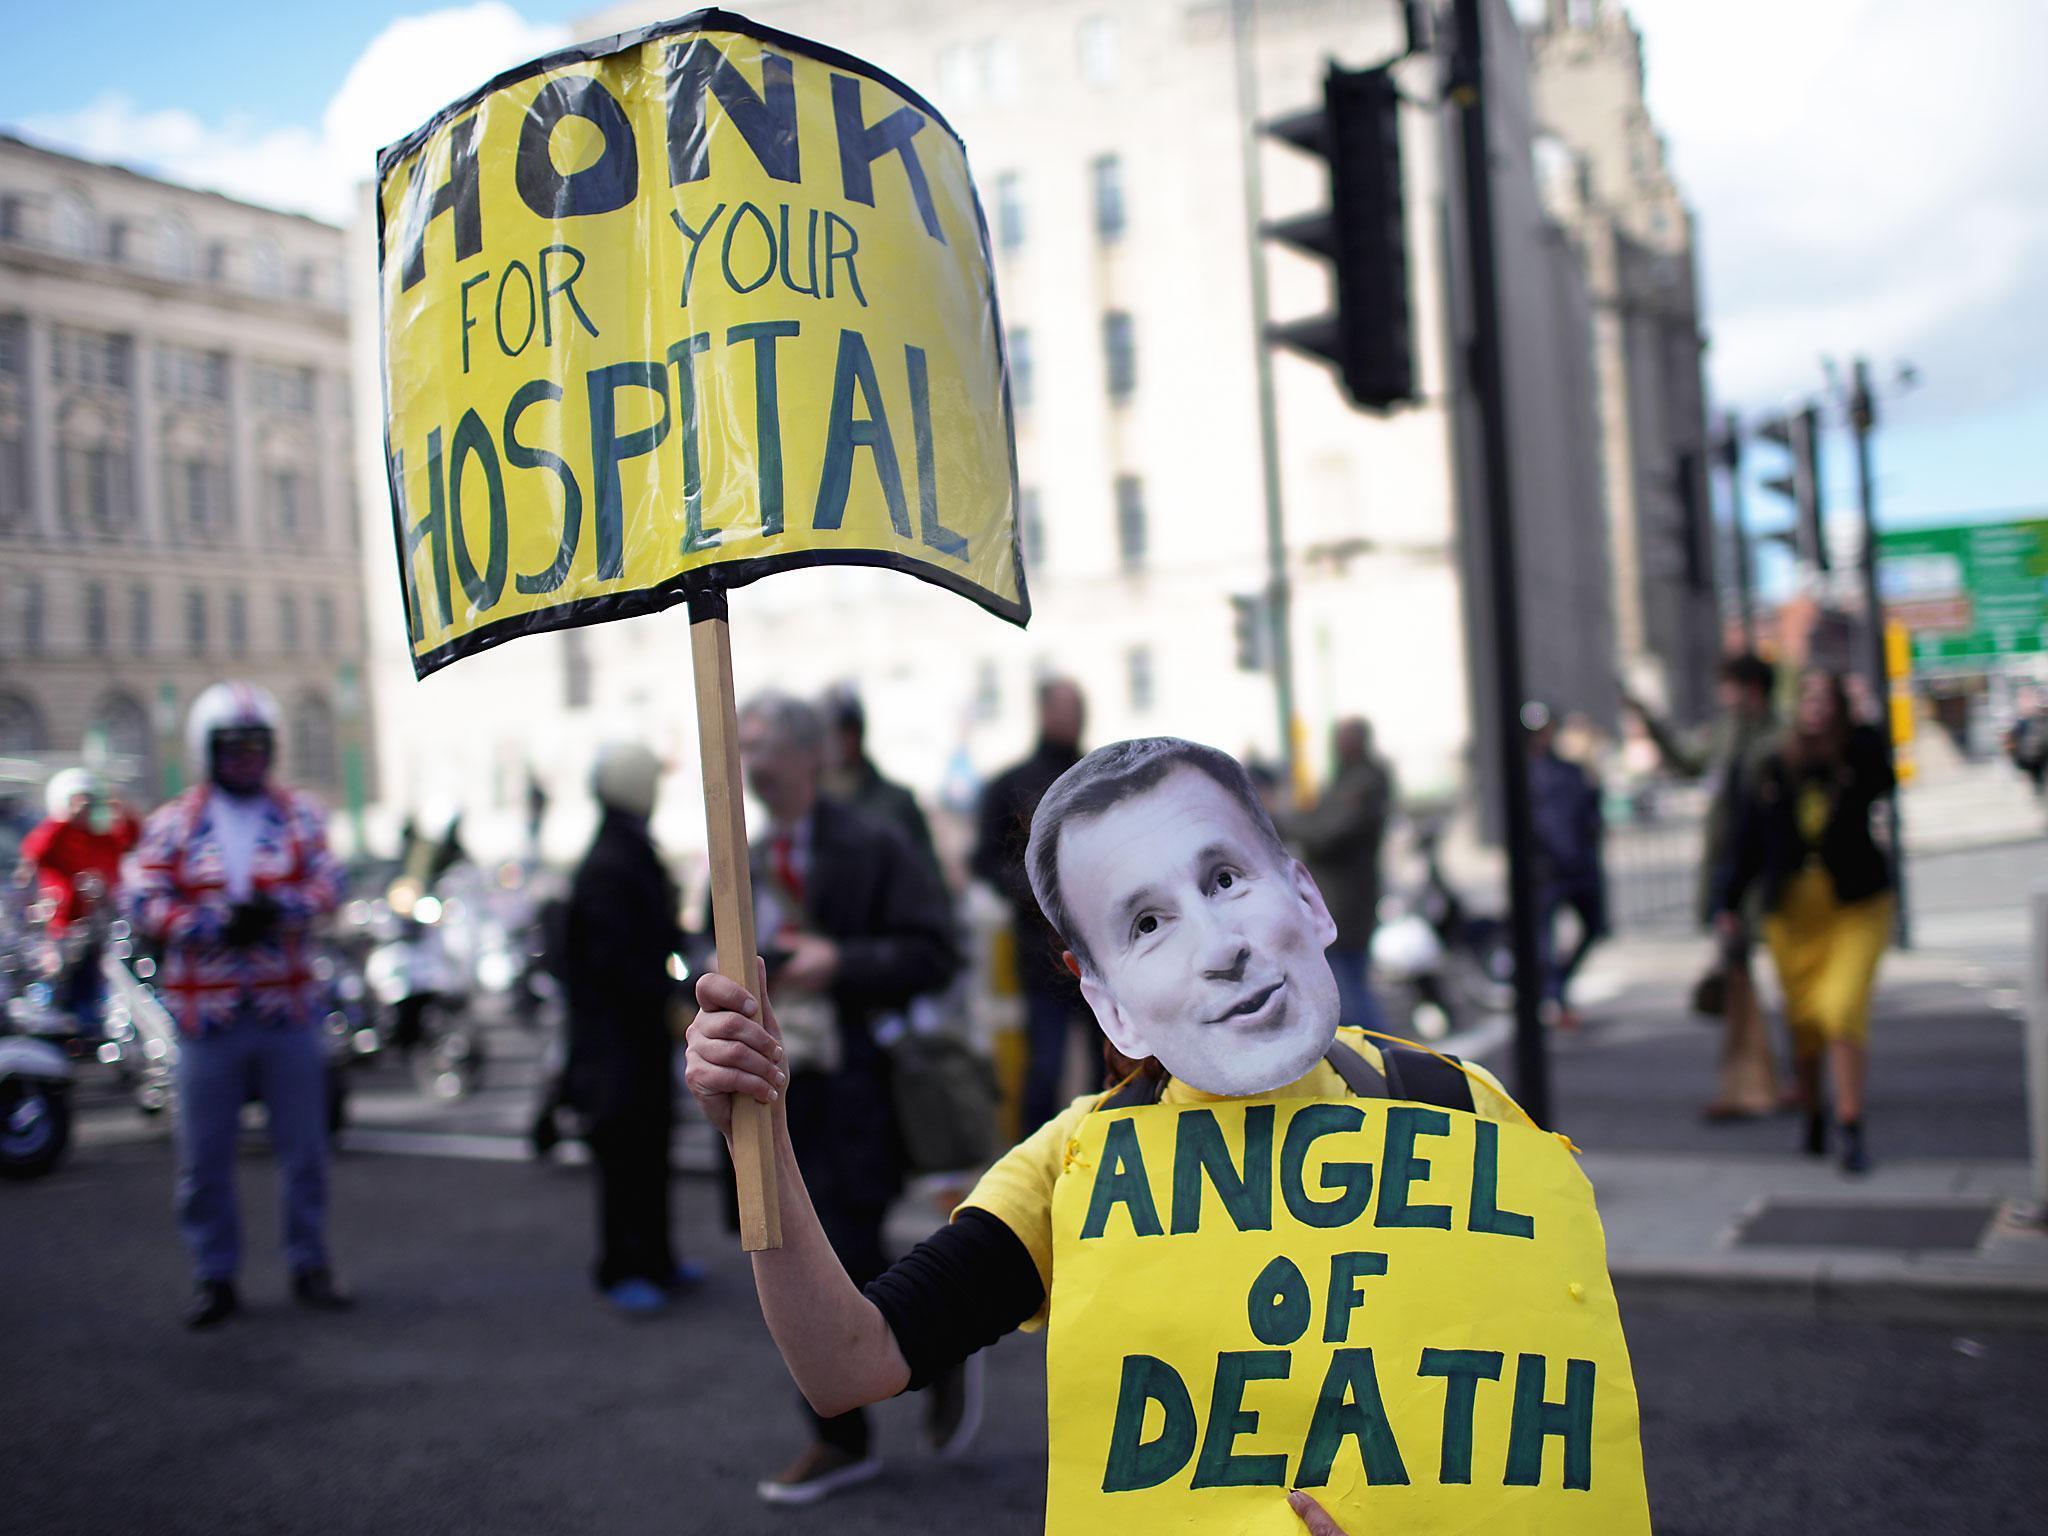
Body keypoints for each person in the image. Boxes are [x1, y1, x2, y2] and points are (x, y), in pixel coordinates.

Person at [686, 738, 1540, 1533]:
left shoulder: (1453, 1106)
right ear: (1107, 1002)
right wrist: (758, 1134)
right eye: (1146, 925)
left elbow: (1544, 1410)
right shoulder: (1073, 1175)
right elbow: (847, 1364)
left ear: (1308, 897)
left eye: (1225, 879)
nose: (1219, 948)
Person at [736, 692, 962, 1502]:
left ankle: (914, 1363)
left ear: (809, 756)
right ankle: (853, 1426)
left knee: (850, 1252)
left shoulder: (873, 843)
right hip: (774, 1095)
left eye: (761, 743)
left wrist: (841, 962)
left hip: (859, 1087)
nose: (749, 761)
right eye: (742, 745)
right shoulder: (741, 860)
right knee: (796, 1257)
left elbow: (936, 951)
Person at [124, 682, 348, 1329]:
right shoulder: (174, 822)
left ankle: (310, 1263)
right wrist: (209, 922)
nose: (247, 759)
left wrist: (281, 909)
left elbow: (330, 883)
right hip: (208, 1018)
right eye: (233, 748)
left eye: (257, 747)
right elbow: (140, 897)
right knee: (203, 1156)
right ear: (208, 752)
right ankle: (213, 1274)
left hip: (287, 1010)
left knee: (304, 1149)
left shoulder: (302, 815)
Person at [1716, 669, 1896, 1174]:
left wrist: (1863, 726)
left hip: (1856, 904)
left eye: (1826, 697)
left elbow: (1884, 780)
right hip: (1793, 911)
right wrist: (1727, 906)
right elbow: (1747, 841)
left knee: (1841, 1010)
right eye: (1808, 697)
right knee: (1805, 1022)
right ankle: (1815, 1111)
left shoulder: (1857, 753)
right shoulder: (1775, 764)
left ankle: (1850, 1125)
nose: (1816, 706)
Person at [559, 742, 698, 1315]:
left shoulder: (621, 852)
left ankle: (657, 1258)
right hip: (618, 1040)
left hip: (631, 1036)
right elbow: (619, 960)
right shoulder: (615, 862)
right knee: (626, 1154)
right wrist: (670, 993)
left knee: (649, 1146)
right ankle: (623, 1265)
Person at [1628, 654, 1783, 1118]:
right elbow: (1687, 762)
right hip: (1731, 873)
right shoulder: (1727, 733)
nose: (1723, 695)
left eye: (1729, 685)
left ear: (1751, 688)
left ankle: (1767, 1079)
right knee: (1740, 977)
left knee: (1784, 984)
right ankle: (1753, 1080)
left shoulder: (1777, 739)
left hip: (1767, 875)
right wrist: (1650, 722)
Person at [970, 677, 1091, 1131]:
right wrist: (1036, 889)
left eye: (1079, 707)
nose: (1074, 717)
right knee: (1046, 1064)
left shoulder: (1097, 775)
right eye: (1066, 707)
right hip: (1041, 952)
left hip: (1100, 946)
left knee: (1113, 1057)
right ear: (1044, 713)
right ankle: (1035, 1159)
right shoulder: (1011, 784)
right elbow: (985, 859)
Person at [1274, 718, 1394, 1035]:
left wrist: (1281, 819)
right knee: (1346, 984)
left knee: (1350, 990)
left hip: (1347, 900)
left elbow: (1326, 832)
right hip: (1341, 896)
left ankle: (1375, 1059)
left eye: (1343, 739)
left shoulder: (1362, 783)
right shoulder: (1348, 780)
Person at [20, 767, 140, 1028]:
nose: (84, 808)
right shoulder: (58, 837)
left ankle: (94, 1024)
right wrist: (64, 818)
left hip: (101, 924)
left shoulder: (100, 840)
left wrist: (119, 805)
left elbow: (130, 838)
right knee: (64, 977)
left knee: (103, 977)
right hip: (66, 926)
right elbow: (35, 849)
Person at [1523, 703, 1607, 1030]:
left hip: (1573, 869)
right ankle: (1553, 996)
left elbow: (1590, 813)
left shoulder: (1570, 770)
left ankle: (1555, 989)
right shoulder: (1526, 773)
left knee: (1592, 927)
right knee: (1544, 939)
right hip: (1548, 871)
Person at [822, 685, 943, 884]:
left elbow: (928, 881)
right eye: (833, 731)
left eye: (849, 730)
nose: (842, 740)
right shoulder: (805, 809)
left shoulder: (898, 803)